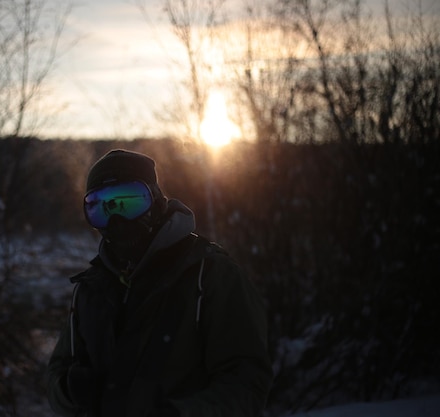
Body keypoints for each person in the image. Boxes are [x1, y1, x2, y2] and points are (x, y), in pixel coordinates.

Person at [46, 149, 273, 417]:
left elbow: (247, 380)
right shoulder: (90, 289)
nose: (117, 220)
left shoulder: (208, 274)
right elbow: (57, 371)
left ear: (156, 201)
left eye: (129, 203)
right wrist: (68, 390)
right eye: (102, 208)